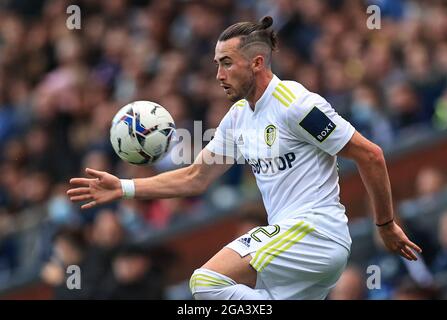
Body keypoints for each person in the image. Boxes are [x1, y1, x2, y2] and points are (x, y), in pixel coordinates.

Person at [67, 16, 422, 300]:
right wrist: (125, 187)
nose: (219, 75)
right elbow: (196, 177)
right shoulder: (238, 116)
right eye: (216, 64)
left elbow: (371, 155)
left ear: (256, 62)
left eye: (226, 63)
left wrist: (385, 225)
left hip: (314, 233)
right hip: (297, 248)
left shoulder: (295, 104)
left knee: (205, 282)